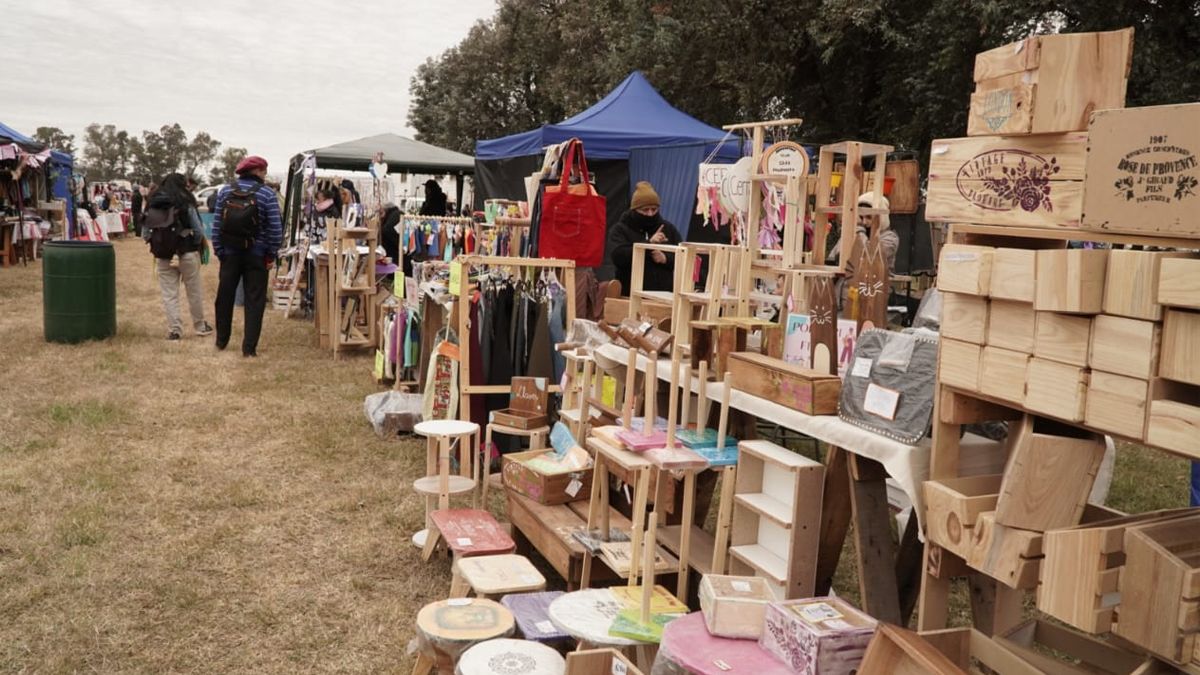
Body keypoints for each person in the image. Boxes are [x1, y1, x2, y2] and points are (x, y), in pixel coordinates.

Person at [211, 155, 283, 357]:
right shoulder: (267, 194)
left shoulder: (225, 190)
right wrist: (270, 254)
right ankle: (249, 348)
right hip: (257, 255)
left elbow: (217, 224)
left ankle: (221, 340)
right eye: (264, 171)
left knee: (224, 298)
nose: (265, 174)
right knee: (255, 300)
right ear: (257, 172)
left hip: (230, 253)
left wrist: (220, 250)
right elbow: (275, 229)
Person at [145, 173, 213, 340]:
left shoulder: (154, 202)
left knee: (169, 294)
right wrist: (194, 245)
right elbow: (197, 230)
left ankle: (175, 330)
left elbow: (145, 233)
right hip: (187, 252)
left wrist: (159, 243)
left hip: (163, 255)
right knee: (194, 291)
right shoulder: (186, 201)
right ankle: (200, 326)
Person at [610, 181, 682, 295]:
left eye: (654, 209)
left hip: (663, 296)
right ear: (634, 210)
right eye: (645, 210)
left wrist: (666, 258)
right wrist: (648, 245)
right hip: (630, 295)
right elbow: (618, 256)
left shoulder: (668, 228)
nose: (650, 214)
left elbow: (683, 257)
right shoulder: (621, 229)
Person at [838, 192, 900, 309]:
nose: (864, 222)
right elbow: (836, 256)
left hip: (870, 300)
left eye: (869, 217)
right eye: (861, 217)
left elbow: (869, 256)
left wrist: (858, 231)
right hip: (845, 298)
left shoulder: (890, 238)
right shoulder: (857, 232)